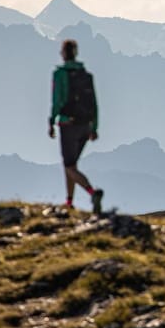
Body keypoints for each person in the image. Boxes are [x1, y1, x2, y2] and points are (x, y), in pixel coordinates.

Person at [49, 39, 104, 214]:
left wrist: (51, 121)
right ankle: (69, 201)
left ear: (64, 53)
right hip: (85, 125)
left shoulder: (60, 74)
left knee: (69, 166)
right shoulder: (86, 75)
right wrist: (94, 127)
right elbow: (94, 103)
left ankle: (92, 192)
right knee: (71, 165)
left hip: (68, 124)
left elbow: (57, 100)